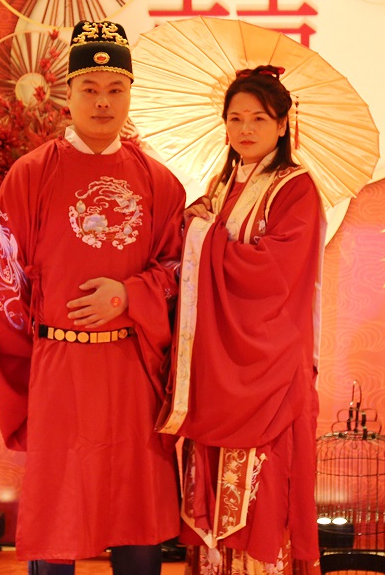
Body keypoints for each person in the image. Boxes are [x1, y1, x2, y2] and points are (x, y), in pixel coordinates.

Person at [0, 19, 185, 575]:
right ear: (67, 93)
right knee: (58, 519)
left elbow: (179, 269)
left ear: (130, 93)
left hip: (131, 368)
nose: (102, 101)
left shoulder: (159, 182)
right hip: (60, 367)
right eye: (89, 88)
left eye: (115, 88)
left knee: (136, 517)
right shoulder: (31, 175)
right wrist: (31, 357)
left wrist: (129, 295)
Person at [157, 65, 324, 574]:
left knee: (264, 486)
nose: (245, 129)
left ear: (283, 124)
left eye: (259, 118)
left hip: (267, 362)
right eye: (235, 118)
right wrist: (195, 223)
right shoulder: (222, 184)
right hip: (219, 360)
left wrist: (203, 237)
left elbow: (274, 272)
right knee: (210, 477)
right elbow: (198, 247)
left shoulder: (296, 189)